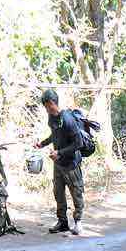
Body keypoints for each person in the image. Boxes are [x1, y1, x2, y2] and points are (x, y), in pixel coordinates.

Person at [34, 89, 85, 235]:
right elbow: (54, 135)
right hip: (58, 163)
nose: (46, 109)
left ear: (52, 103)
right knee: (58, 193)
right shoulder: (51, 117)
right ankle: (62, 222)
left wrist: (60, 152)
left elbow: (78, 143)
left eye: (46, 105)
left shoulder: (68, 119)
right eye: (45, 106)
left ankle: (78, 222)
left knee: (76, 192)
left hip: (71, 164)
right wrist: (42, 144)